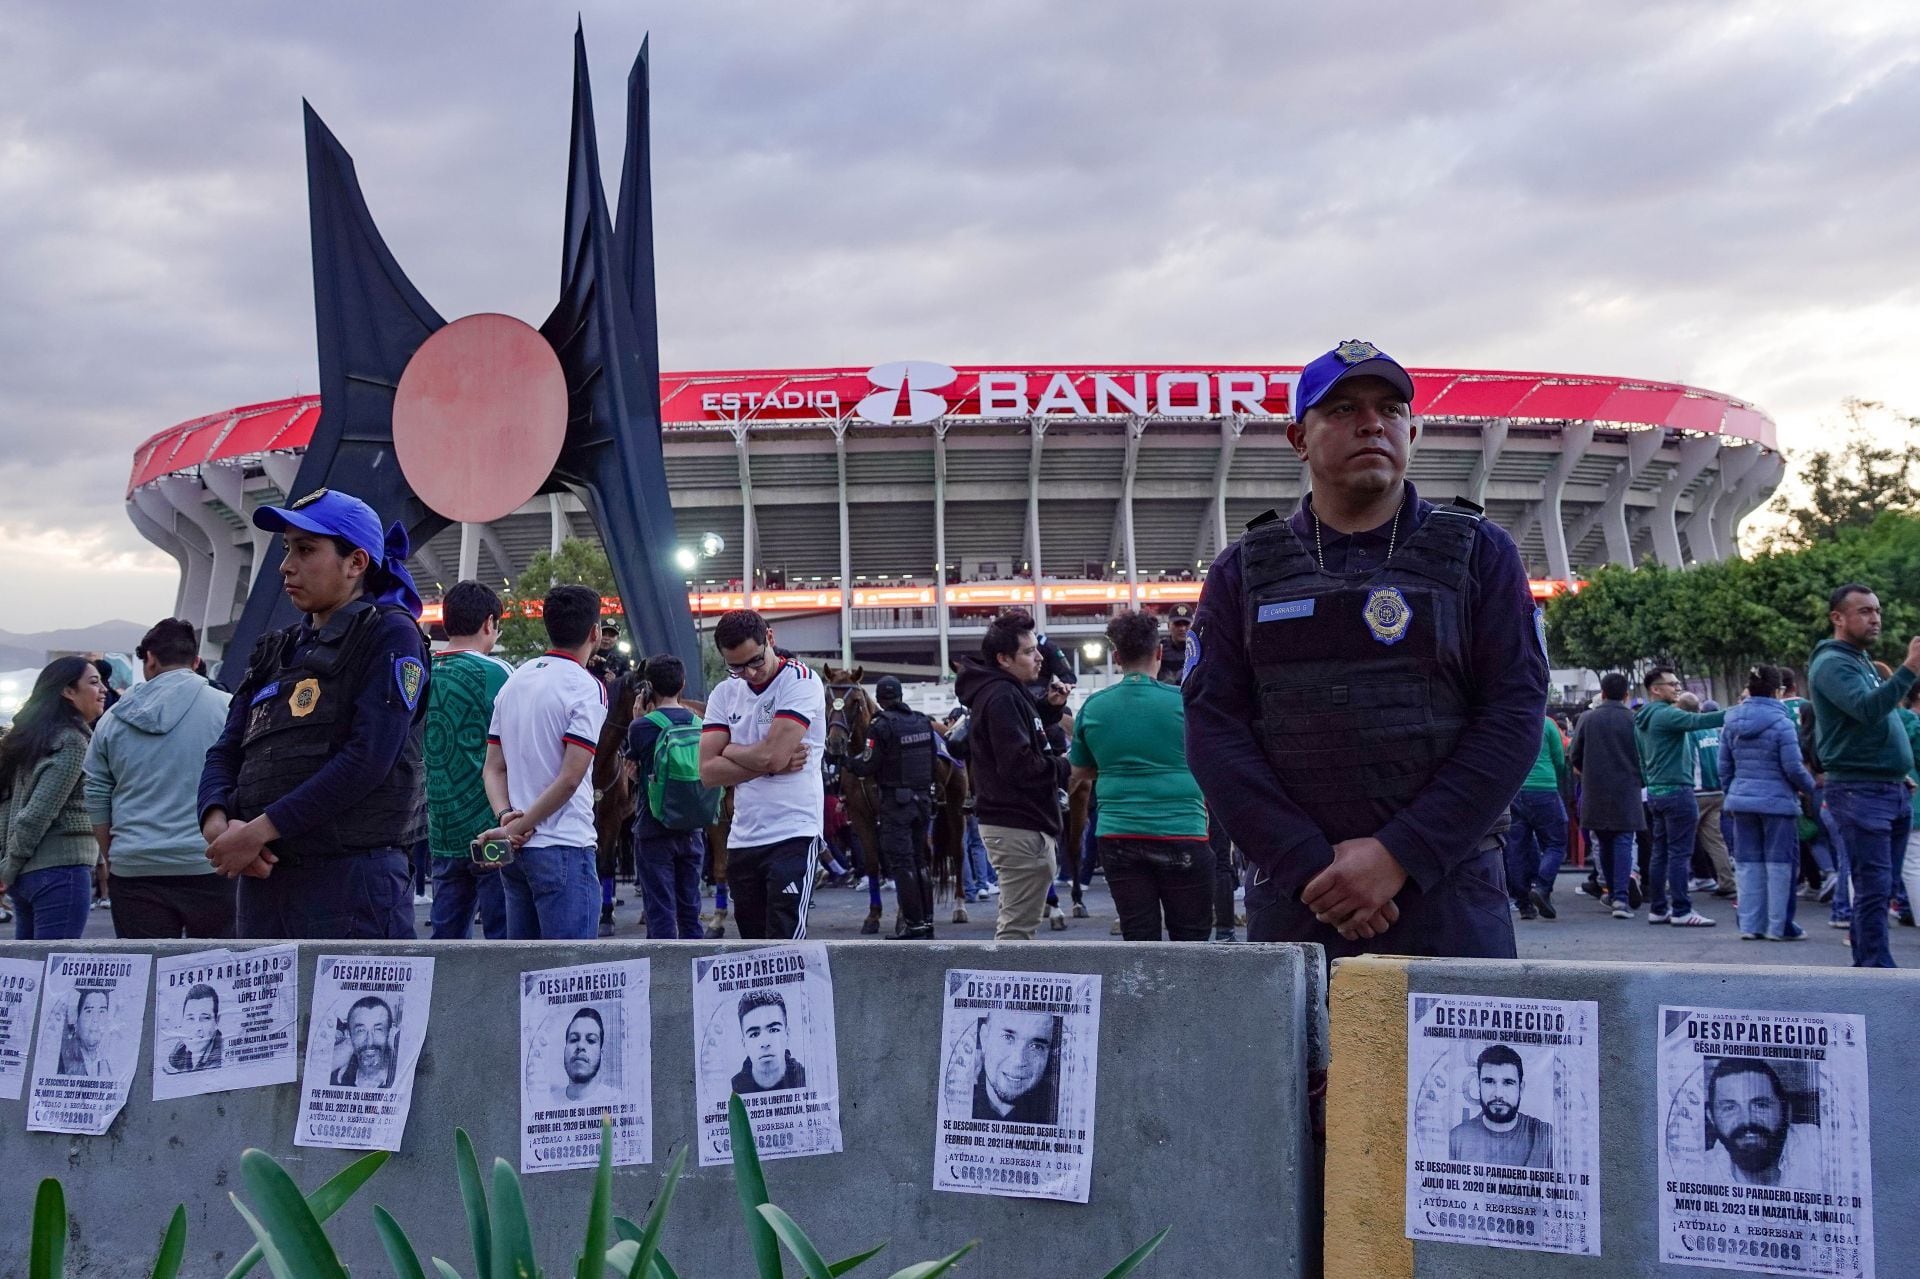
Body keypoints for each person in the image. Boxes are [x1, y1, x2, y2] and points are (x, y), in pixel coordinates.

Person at [1184, 340, 1548, 959]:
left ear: (1414, 430)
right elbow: (1214, 730)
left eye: (1392, 409)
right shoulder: (1242, 570)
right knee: (1305, 1060)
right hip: (1303, 895)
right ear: (1299, 437)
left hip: (1447, 891)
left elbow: (1513, 715)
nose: (1373, 423)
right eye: (1344, 409)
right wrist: (1308, 865)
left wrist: (1399, 854)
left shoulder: (1482, 553)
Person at [197, 488, 430, 940]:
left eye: (306, 550)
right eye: (287, 549)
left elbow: (367, 759)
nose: (287, 565)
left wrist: (261, 830)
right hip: (264, 879)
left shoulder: (391, 635)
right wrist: (218, 824)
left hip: (352, 883)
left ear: (356, 563)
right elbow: (225, 750)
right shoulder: (275, 649)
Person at [83, 619, 235, 940]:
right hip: (210, 864)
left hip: (135, 868)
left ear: (149, 659)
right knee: (215, 977)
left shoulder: (112, 719)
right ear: (196, 662)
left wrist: (114, 855)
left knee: (146, 980)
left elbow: (96, 793)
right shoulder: (227, 708)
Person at [1068, 611, 1211, 940]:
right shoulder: (1184, 703)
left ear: (1116, 657)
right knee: (1193, 943)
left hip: (1119, 835)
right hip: (1182, 831)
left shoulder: (1094, 707)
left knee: (1139, 940)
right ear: (1159, 652)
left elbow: (1080, 770)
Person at [477, 584, 608, 941]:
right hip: (564, 846)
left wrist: (507, 819)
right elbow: (569, 779)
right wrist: (516, 828)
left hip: (516, 853)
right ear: (594, 632)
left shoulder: (515, 679)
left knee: (526, 976)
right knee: (569, 978)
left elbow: (492, 767)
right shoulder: (586, 686)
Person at [697, 611, 825, 940]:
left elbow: (774, 755)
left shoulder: (800, 680)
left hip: (794, 831)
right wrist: (767, 760)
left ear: (770, 638)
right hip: (744, 837)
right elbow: (708, 772)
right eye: (736, 667)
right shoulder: (724, 693)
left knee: (785, 951)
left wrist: (732, 749)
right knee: (753, 955)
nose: (749, 673)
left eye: (755, 661)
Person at [955, 611, 1073, 940]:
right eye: (1028, 652)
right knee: (1017, 933)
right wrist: (1066, 765)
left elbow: (1020, 733)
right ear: (1004, 659)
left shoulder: (1007, 690)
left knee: (1018, 926)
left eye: (1037, 649)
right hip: (1018, 824)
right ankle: (1003, 989)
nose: (1039, 658)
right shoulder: (1002, 695)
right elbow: (1019, 765)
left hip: (1018, 823)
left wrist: (1047, 708)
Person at [424, 581, 513, 940]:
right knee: (503, 939)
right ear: (489, 623)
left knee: (446, 941)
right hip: (493, 829)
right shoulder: (498, 673)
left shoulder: (424, 672)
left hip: (442, 827)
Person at [0, 657, 108, 939]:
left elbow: (8, 808)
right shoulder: (72, 741)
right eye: (94, 682)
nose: (104, 689)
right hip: (61, 873)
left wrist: (8, 867)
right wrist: (6, 870)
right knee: (53, 969)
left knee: (28, 972)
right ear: (68, 691)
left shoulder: (31, 740)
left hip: (26, 877)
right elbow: (37, 812)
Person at [1719, 665, 1819, 941]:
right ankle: (1779, 926)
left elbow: (1724, 766)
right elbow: (1793, 767)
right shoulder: (1782, 722)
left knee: (1748, 864)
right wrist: (1811, 789)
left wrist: (1733, 793)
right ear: (1778, 691)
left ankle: (1750, 925)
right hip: (1777, 804)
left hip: (1741, 802)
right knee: (1781, 867)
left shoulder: (1731, 720)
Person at [623, 654, 711, 939]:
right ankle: (694, 977)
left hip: (653, 829)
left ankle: (664, 979)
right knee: (690, 911)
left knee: (660, 912)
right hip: (692, 830)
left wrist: (637, 719)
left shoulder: (642, 727)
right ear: (682, 684)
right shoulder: (699, 724)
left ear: (648, 687)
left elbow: (634, 773)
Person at [847, 675, 938, 939]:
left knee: (902, 863)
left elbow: (867, 764)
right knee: (921, 862)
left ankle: (912, 923)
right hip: (923, 801)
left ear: (881, 699)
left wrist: (846, 762)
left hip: (897, 805)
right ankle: (927, 921)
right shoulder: (922, 721)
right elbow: (932, 762)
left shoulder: (881, 726)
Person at [1632, 669, 1725, 927]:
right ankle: (1682, 909)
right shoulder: (1667, 714)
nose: (1678, 688)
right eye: (1672, 684)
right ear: (1655, 689)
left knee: (1660, 852)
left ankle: (1659, 908)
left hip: (1656, 792)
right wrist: (1740, 712)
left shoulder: (1641, 719)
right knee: (1679, 853)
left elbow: (1640, 760)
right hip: (1678, 791)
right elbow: (1699, 722)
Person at [1568, 673, 1646, 918]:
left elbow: (1575, 754)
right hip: (1627, 791)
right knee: (1623, 842)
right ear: (1626, 695)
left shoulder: (1588, 719)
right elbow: (1645, 757)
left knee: (1602, 842)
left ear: (1602, 693)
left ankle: (1610, 891)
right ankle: (1620, 899)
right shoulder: (1634, 720)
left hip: (1595, 790)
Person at [1702, 1058, 1822, 1190]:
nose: (1746, 1120)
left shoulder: (1820, 1150)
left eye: (1760, 1105)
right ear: (1711, 1118)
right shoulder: (1701, 1171)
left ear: (1787, 1111)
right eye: (1729, 1108)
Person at [1505, 714, 1570, 921]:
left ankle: (1523, 903)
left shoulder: (1509, 720)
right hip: (1544, 789)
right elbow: (1559, 759)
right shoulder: (1547, 723)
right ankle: (1541, 886)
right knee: (1556, 843)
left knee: (1517, 846)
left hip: (1514, 789)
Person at [1447, 1044, 1552, 1168]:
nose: (1498, 1094)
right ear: (1479, 1086)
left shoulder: (1544, 1135)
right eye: (1489, 1081)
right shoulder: (1457, 1138)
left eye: (1508, 1083)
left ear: (1521, 1088)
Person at [1677, 692, 1736, 900]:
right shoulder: (1713, 729)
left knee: (1681, 839)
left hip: (1696, 790)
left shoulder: (1687, 730)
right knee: (1715, 839)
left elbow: (1686, 759)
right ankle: (1727, 881)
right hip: (1716, 790)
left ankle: (1681, 881)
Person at [970, 1008, 1060, 1124]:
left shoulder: (1058, 1113)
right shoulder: (958, 1099)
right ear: (984, 1039)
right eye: (1008, 1038)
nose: (1018, 1061)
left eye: (1036, 1046)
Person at [731, 990, 805, 1093]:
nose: (765, 1043)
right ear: (744, 1043)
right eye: (754, 1034)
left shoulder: (807, 1079)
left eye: (774, 1030)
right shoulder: (731, 1090)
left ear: (787, 1034)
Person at [548, 1007, 615, 1107]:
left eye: (591, 1040)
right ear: (565, 1050)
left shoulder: (617, 1100)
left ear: (601, 1054)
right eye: (574, 1039)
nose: (580, 1046)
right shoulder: (547, 1102)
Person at [330, 995, 396, 1088]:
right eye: (361, 1031)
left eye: (378, 1029)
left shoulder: (401, 1076)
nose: (370, 1041)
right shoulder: (335, 1079)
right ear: (349, 1035)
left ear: (390, 1033)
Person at [164, 983, 224, 1073]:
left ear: (216, 1021)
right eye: (190, 1018)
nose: (197, 1028)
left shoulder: (223, 1057)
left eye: (205, 1018)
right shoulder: (177, 1053)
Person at [56, 987, 114, 1077]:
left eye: (102, 1011)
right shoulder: (62, 1061)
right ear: (76, 1020)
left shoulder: (108, 1065)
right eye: (89, 1011)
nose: (96, 1019)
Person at [1155, 606, 1193, 684]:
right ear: (1169, 626)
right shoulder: (1159, 649)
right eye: (1177, 624)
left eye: (1186, 624)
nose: (1182, 628)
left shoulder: (1200, 650)